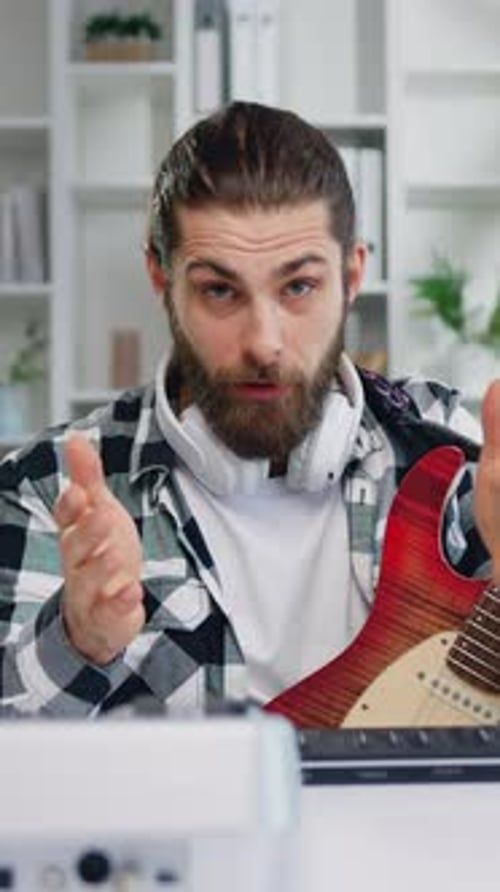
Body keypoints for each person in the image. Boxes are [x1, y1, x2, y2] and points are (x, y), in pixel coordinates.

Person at [0, 101, 498, 720]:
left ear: (351, 275)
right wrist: (80, 641)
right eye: (219, 289)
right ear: (161, 278)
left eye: (298, 286)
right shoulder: (49, 489)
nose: (264, 341)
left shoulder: (453, 456)